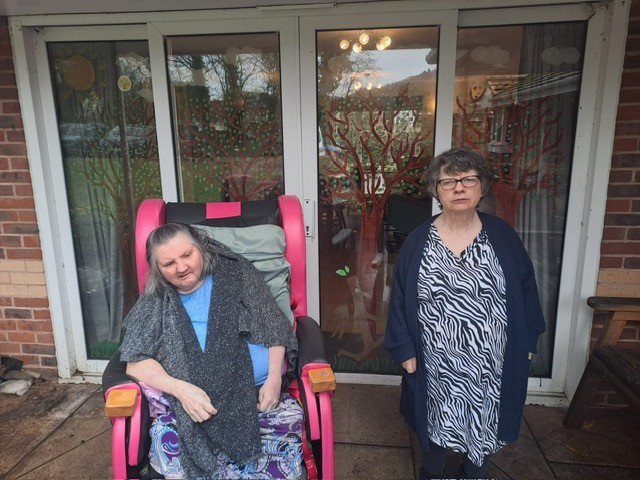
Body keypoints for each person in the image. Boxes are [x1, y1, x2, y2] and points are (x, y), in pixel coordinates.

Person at [384, 148, 546, 479]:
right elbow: (399, 297)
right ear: (436, 190)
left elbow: (526, 288)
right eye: (448, 181)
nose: (459, 188)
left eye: (468, 179)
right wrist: (404, 347)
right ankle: (433, 473)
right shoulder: (418, 241)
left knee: (485, 420)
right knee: (433, 420)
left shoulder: (502, 236)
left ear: (482, 187)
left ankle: (473, 473)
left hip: (490, 361)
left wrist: (528, 337)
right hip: (434, 361)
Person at [118, 222, 302, 479]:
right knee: (163, 436)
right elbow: (135, 360)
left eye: (187, 255)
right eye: (169, 264)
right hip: (194, 404)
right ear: (157, 269)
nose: (181, 268)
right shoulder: (156, 297)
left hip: (257, 395)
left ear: (201, 248)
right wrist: (182, 390)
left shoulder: (235, 273)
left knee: (290, 422)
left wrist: (274, 379)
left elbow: (273, 323)